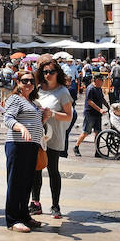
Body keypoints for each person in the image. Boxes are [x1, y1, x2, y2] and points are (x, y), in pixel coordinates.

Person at [3, 69, 51, 232]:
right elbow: (8, 119)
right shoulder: (15, 99)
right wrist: (20, 127)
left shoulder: (32, 101)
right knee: (16, 183)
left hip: (31, 145)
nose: (29, 83)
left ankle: (24, 216)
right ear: (18, 83)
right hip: (17, 144)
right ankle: (12, 220)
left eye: (31, 81)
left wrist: (45, 116)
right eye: (25, 81)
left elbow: (38, 123)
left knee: (27, 182)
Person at [30, 56, 73, 219]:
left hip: (53, 136)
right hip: (38, 134)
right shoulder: (38, 89)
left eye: (51, 71)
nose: (48, 74)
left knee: (53, 169)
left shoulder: (62, 92)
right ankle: (35, 202)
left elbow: (68, 116)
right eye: (45, 72)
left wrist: (53, 114)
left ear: (57, 73)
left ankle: (55, 205)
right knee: (36, 169)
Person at [73, 75, 107, 156]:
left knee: (98, 132)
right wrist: (100, 109)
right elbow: (89, 101)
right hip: (90, 113)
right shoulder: (90, 88)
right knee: (86, 132)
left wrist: (109, 106)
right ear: (97, 80)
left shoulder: (99, 88)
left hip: (98, 114)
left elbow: (102, 99)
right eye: (102, 81)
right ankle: (76, 147)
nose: (103, 82)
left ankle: (97, 151)